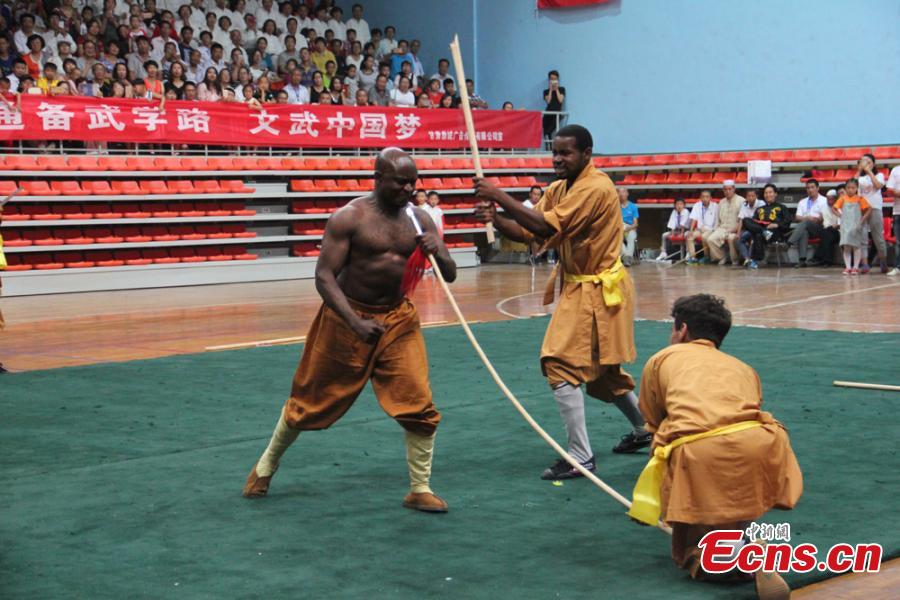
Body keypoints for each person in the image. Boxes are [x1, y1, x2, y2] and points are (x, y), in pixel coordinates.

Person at [243, 148, 457, 514]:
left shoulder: (421, 220)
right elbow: (324, 277)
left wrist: (441, 251)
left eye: (413, 182)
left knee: (418, 401)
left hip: (398, 320)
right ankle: (265, 466)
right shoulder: (350, 218)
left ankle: (419, 488)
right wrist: (354, 322)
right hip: (347, 318)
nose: (409, 188)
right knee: (309, 402)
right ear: (378, 178)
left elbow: (449, 275)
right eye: (401, 181)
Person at [474, 124, 650, 480]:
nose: (557, 159)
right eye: (555, 152)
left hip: (597, 290)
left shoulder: (597, 188)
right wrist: (498, 219)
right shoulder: (558, 188)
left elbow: (543, 226)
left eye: (566, 153)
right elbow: (528, 231)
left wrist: (498, 195)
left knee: (558, 364)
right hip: (581, 286)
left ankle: (581, 457)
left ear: (587, 154)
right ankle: (645, 428)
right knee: (604, 373)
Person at [632, 294, 801, 598]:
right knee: (734, 482)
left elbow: (654, 420)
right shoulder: (742, 366)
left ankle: (737, 556)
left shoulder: (661, 359)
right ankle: (740, 539)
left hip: (701, 448)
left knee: (694, 548)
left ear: (681, 330)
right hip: (763, 442)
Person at [739, 184, 790, 269]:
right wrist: (762, 229)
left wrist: (776, 224)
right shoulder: (760, 209)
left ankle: (756, 260)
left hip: (775, 232)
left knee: (757, 235)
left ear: (775, 194)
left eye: (770, 192)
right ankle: (763, 231)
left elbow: (787, 222)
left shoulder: (782, 207)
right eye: (766, 193)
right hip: (762, 230)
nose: (768, 195)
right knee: (746, 220)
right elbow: (754, 222)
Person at [855, 153, 887, 273]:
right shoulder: (860, 177)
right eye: (863, 161)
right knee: (862, 238)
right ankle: (865, 265)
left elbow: (878, 186)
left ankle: (883, 262)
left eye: (868, 161)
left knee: (878, 238)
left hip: (874, 208)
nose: (865, 164)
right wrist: (859, 170)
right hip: (861, 209)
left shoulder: (879, 175)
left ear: (873, 164)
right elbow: (851, 185)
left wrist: (869, 171)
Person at [834, 178, 872, 276]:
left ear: (856, 188)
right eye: (848, 187)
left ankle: (855, 267)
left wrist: (862, 220)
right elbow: (834, 208)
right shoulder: (842, 198)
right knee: (846, 246)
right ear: (845, 188)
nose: (850, 189)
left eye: (853, 187)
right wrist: (840, 216)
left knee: (856, 246)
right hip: (845, 225)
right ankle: (848, 267)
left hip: (856, 225)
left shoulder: (860, 199)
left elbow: (869, 209)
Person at [787, 179, 827, 268]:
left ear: (818, 188)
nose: (810, 190)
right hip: (806, 227)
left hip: (820, 228)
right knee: (804, 229)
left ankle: (789, 243)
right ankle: (802, 260)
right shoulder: (803, 201)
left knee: (806, 222)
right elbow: (797, 217)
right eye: (808, 188)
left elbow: (825, 217)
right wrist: (807, 218)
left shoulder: (824, 201)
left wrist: (818, 219)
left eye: (812, 187)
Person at [705, 180, 744, 265]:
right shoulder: (721, 202)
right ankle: (722, 256)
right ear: (723, 190)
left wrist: (734, 230)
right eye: (725, 189)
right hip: (722, 228)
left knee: (731, 238)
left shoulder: (741, 201)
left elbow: (742, 220)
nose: (727, 191)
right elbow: (718, 220)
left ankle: (735, 260)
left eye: (730, 189)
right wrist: (716, 230)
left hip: (736, 229)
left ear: (734, 189)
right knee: (710, 239)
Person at [733, 189, 766, 267]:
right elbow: (741, 219)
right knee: (739, 239)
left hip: (758, 228)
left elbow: (762, 219)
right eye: (748, 196)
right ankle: (747, 259)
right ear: (746, 197)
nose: (750, 198)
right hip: (748, 229)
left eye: (752, 196)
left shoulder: (761, 203)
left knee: (753, 238)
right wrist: (738, 233)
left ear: (756, 196)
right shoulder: (744, 204)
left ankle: (753, 260)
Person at [809, 189, 842, 267]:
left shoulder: (840, 206)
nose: (829, 201)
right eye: (828, 199)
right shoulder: (824, 207)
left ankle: (818, 258)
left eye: (831, 199)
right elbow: (823, 221)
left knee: (827, 234)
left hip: (838, 231)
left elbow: (842, 222)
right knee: (827, 234)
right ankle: (827, 261)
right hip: (827, 230)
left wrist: (837, 225)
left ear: (835, 199)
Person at [686, 191, 718, 264]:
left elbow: (717, 221)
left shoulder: (715, 206)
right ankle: (693, 257)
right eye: (703, 197)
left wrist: (713, 230)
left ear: (710, 198)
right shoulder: (697, 205)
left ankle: (706, 257)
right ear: (700, 198)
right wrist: (691, 230)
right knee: (689, 236)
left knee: (704, 237)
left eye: (707, 197)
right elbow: (694, 218)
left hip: (710, 229)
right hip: (700, 229)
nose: (705, 199)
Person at [542, 70, 565, 141]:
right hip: (548, 113)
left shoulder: (562, 89)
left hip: (557, 113)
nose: (553, 81)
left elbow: (560, 100)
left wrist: (557, 89)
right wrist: (551, 90)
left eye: (555, 79)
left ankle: (552, 148)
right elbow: (548, 101)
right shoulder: (546, 91)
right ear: (549, 80)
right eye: (552, 79)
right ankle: (548, 149)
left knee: (549, 131)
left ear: (558, 79)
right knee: (546, 132)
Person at [618, 187, 638, 266]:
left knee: (631, 236)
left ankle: (628, 257)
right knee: (616, 238)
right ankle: (626, 256)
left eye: (623, 192)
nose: (621, 194)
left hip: (630, 227)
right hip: (619, 227)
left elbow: (635, 223)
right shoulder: (615, 206)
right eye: (619, 192)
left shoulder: (633, 206)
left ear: (627, 194)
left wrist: (629, 228)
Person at [887, 164, 900, 276]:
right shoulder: (896, 170)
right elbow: (889, 190)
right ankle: (898, 267)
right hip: (898, 211)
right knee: (898, 242)